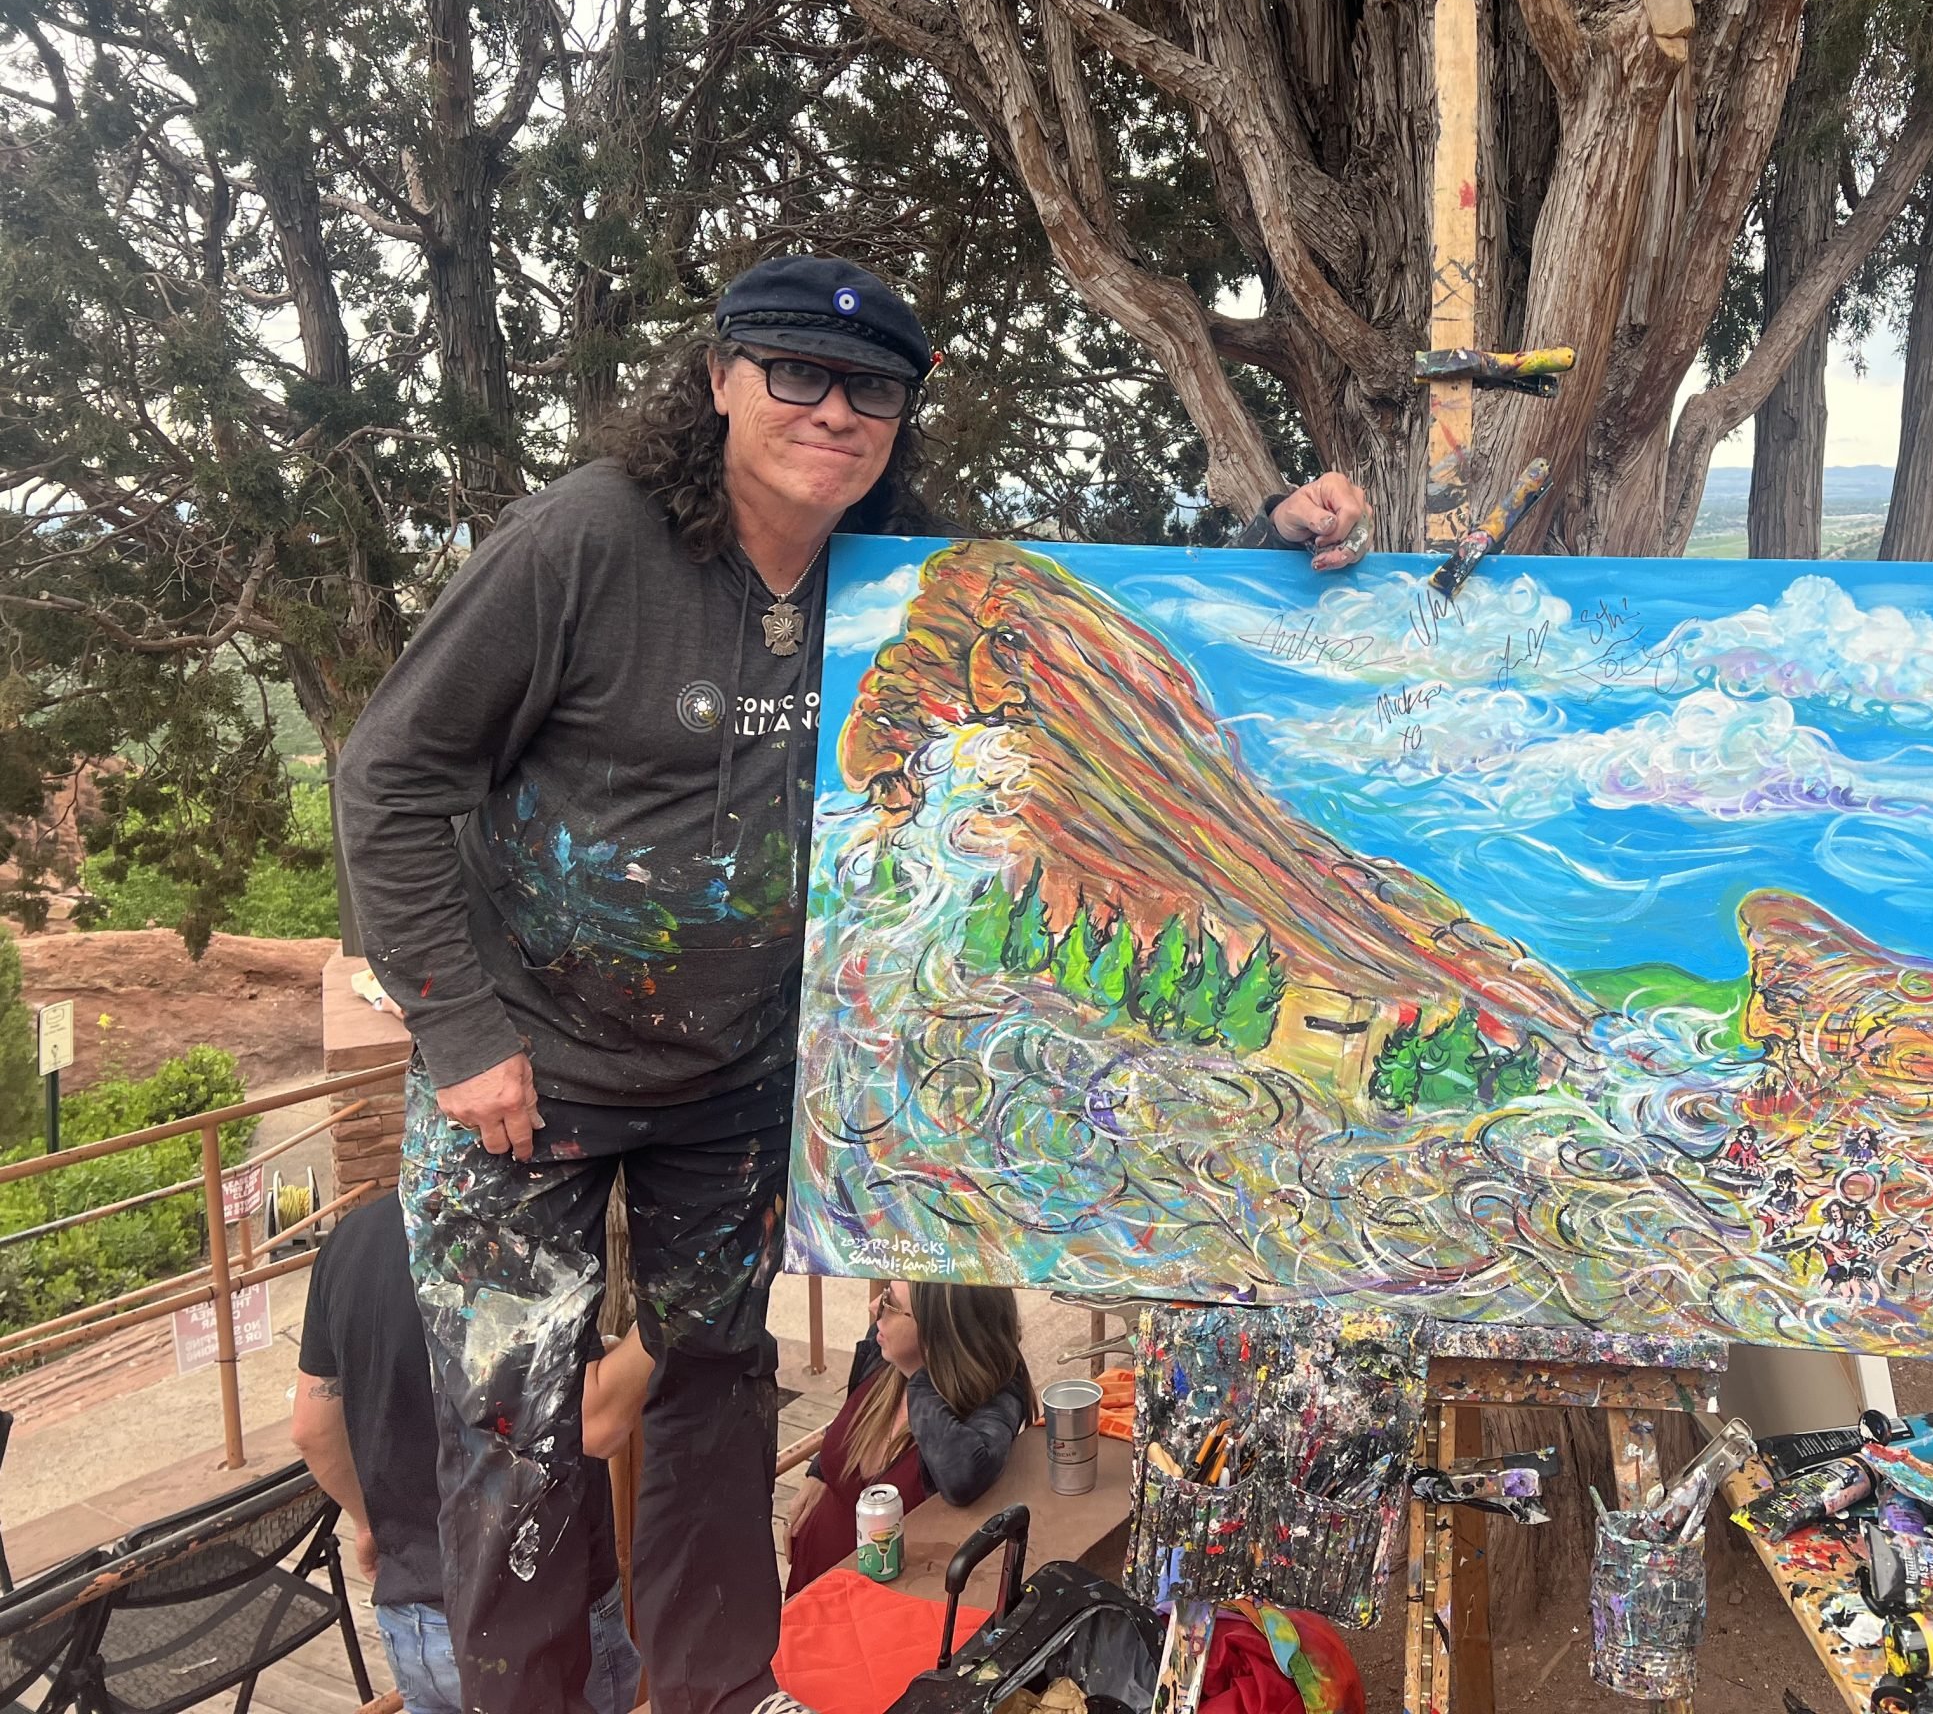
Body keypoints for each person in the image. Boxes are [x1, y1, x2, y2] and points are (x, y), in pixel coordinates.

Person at [335, 253, 1373, 1714]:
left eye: (871, 389)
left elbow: (1077, 600)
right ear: (717, 382)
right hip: (526, 1083)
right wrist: (457, 1026)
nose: (833, 410)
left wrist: (1261, 539)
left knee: (714, 1395)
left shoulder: (888, 568)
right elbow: (388, 772)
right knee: (512, 1441)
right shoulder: (585, 540)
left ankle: (719, 1692)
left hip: (731, 1085)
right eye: (796, 375)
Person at [291, 1193, 648, 1714]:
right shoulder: (526, 1233)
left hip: (417, 1618)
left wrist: (369, 1523)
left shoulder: (352, 1236)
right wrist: (685, 1301)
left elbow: (311, 1428)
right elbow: (597, 1421)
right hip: (548, 1616)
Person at [783, 1280, 1032, 1596]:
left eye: (889, 1301)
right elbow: (850, 1420)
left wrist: (921, 1377)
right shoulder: (881, 1354)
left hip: (889, 1602)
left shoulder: (994, 1396)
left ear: (935, 1328)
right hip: (816, 1576)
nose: (873, 1306)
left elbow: (962, 1478)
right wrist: (821, 1472)